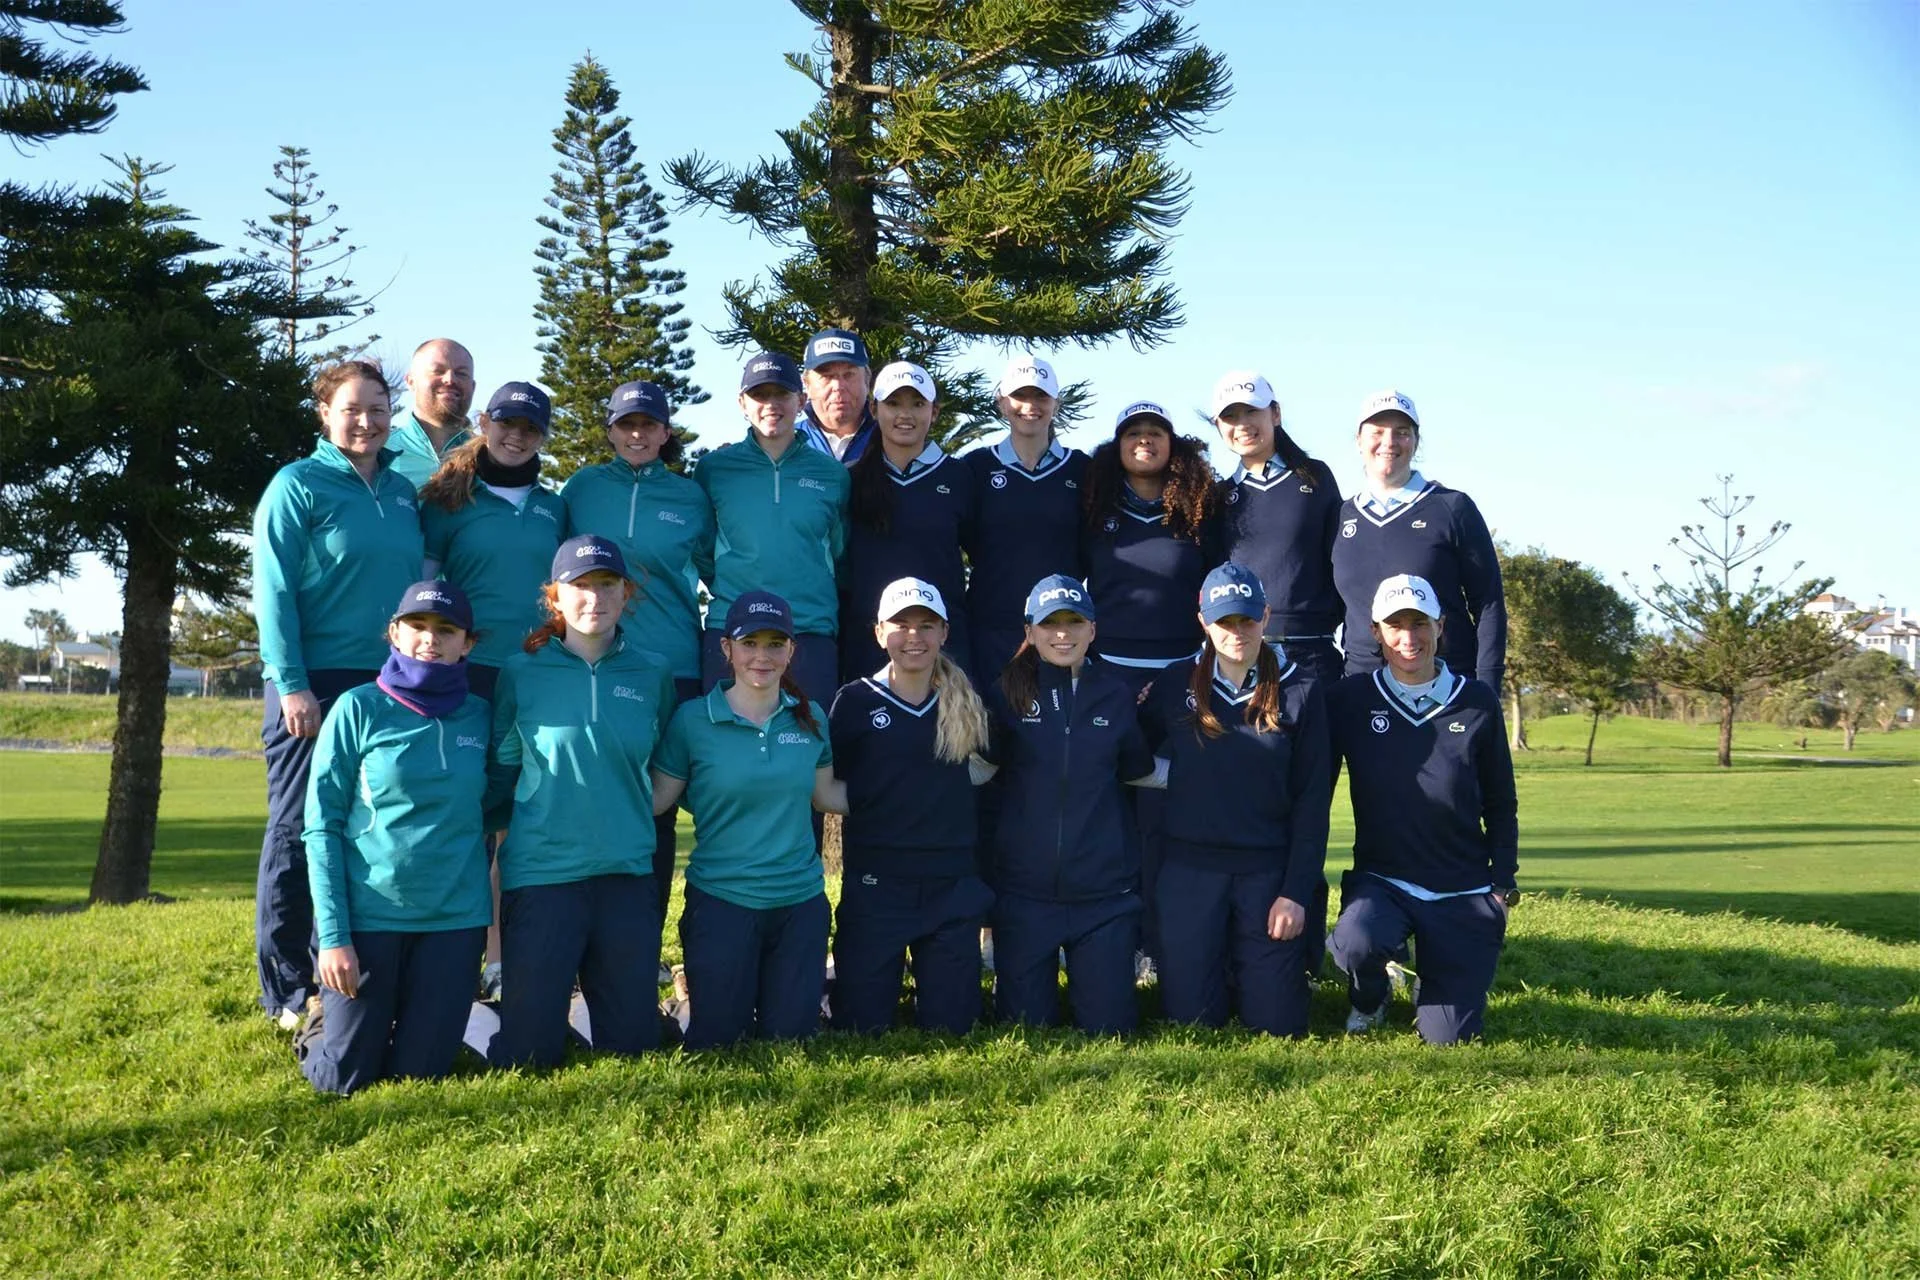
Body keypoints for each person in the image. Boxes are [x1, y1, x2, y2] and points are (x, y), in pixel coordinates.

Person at [252, 359, 424, 1030]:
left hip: (387, 684)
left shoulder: (404, 493)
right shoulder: (297, 486)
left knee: (367, 829)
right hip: (314, 684)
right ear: (325, 413)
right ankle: (288, 992)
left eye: (379, 409)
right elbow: (273, 593)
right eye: (352, 409)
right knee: (298, 829)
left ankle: (352, 969)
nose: (367, 421)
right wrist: (291, 684)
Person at [484, 536, 677, 1068]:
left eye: (607, 585)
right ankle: (488, 1020)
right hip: (544, 874)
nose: (595, 598)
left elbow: (663, 761)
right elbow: (502, 769)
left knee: (634, 1049)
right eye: (580, 587)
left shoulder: (652, 672)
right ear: (556, 598)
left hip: (626, 871)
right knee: (527, 1056)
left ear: (625, 593)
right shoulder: (521, 671)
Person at [296, 582, 492, 1094]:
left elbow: (499, 801)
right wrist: (334, 938)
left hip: (453, 922)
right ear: (394, 634)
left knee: (418, 1077)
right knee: (344, 1081)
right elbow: (321, 827)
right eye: (418, 626)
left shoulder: (481, 716)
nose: (431, 639)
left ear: (467, 643)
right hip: (371, 920)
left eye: (446, 630)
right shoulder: (358, 709)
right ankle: (318, 1024)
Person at [1140, 563, 1331, 1037]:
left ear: (1266, 616)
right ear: (1204, 621)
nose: (1237, 631)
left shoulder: (1303, 689)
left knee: (1277, 1023)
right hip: (1188, 872)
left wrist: (1295, 892)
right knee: (1192, 1020)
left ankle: (1255, 964)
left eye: (1247, 619)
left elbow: (1312, 803)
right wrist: (1176, 779)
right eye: (1225, 621)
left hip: (1265, 874)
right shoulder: (1172, 684)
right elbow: (1131, 755)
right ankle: (1216, 960)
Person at [1326, 574, 1518, 1045]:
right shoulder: (1350, 699)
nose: (1408, 638)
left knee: (1449, 1038)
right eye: (1395, 626)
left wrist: (1502, 886)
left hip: (1462, 887)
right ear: (1376, 632)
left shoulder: (1477, 701)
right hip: (1384, 879)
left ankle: (1430, 983)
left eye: (1419, 624)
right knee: (1356, 942)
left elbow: (1500, 799)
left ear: (1441, 626)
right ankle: (1369, 997)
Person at [651, 591, 845, 1051]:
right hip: (722, 902)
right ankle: (685, 997)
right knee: (719, 1042)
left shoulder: (810, 717)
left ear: (792, 650)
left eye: (775, 643)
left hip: (798, 904)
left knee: (790, 1041)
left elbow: (827, 795)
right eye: (749, 642)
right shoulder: (692, 720)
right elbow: (658, 800)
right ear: (726, 649)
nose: (762, 655)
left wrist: (915, 789)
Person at [560, 380, 715, 918]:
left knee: (659, 805)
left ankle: (642, 938)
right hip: (593, 663)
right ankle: (590, 933)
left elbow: (719, 570)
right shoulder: (580, 489)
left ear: (665, 432)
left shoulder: (690, 496)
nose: (637, 434)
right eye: (627, 424)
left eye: (648, 424)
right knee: (590, 790)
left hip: (672, 664)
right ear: (610, 430)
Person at [980, 576, 1158, 1035]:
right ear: (1030, 630)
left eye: (1074, 621)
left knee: (1108, 1029)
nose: (1063, 633)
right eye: (1050, 623)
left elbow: (1139, 770)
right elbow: (979, 775)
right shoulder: (1003, 694)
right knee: (1024, 1029)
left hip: (1103, 898)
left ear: (1092, 629)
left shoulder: (1116, 694)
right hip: (1024, 897)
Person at [827, 578, 995, 1035]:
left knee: (953, 1027)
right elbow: (827, 785)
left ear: (944, 633)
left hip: (951, 885)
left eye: (926, 625)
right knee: (861, 1026)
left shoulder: (967, 702)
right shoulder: (855, 701)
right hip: (877, 884)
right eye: (901, 625)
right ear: (880, 633)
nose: (914, 637)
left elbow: (987, 769)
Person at [694, 352, 849, 706]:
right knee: (724, 750)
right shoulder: (714, 469)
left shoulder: (831, 475)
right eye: (760, 395)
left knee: (809, 745)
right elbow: (701, 547)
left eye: (781, 394)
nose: (771, 405)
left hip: (808, 629)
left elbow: (839, 550)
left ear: (802, 401)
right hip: (731, 628)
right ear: (742, 403)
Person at [1331, 390, 1506, 697]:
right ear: (1358, 441)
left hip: (1446, 687)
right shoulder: (1338, 516)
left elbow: (1488, 603)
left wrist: (1487, 687)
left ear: (1415, 441)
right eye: (1377, 432)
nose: (1389, 442)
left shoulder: (1452, 508)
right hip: (1363, 692)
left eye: (1401, 432)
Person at [419, 381, 566, 700]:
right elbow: (421, 589)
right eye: (507, 422)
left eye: (530, 428)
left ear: (542, 438)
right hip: (466, 664)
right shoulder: (447, 500)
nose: (517, 435)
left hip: (539, 666)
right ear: (484, 423)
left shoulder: (555, 507)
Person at [839, 361, 976, 684]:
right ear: (873, 409)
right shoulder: (850, 479)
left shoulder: (959, 477)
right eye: (893, 403)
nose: (905, 414)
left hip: (942, 642)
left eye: (917, 404)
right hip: (868, 642)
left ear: (935, 412)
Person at [1205, 371, 1345, 687]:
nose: (1242, 424)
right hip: (1242, 654)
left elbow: (1341, 563)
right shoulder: (1217, 496)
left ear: (1275, 413)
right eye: (1230, 416)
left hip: (1313, 652)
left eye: (1252, 411)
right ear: (1218, 426)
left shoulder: (1315, 477)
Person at [960, 354, 1089, 683]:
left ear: (1056, 404)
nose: (1030, 405)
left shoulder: (1082, 469)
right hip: (991, 629)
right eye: (1020, 396)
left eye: (1040, 396)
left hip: (1061, 630)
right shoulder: (974, 468)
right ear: (1002, 403)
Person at [1082, 399, 1216, 694]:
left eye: (1156, 432)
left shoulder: (1200, 512)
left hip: (1184, 668)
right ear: (1116, 447)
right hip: (1106, 667)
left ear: (1172, 445)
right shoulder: (1094, 510)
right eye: (1133, 433)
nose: (1145, 438)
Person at [388, 338, 477, 491]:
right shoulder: (380, 451)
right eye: (437, 371)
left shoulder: (489, 456)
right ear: (410, 382)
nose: (450, 379)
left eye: (461, 373)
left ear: (473, 387)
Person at [796, 327, 878, 462]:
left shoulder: (889, 439)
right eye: (826, 376)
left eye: (849, 375)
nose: (838, 386)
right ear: (807, 385)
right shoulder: (788, 443)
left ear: (867, 380)